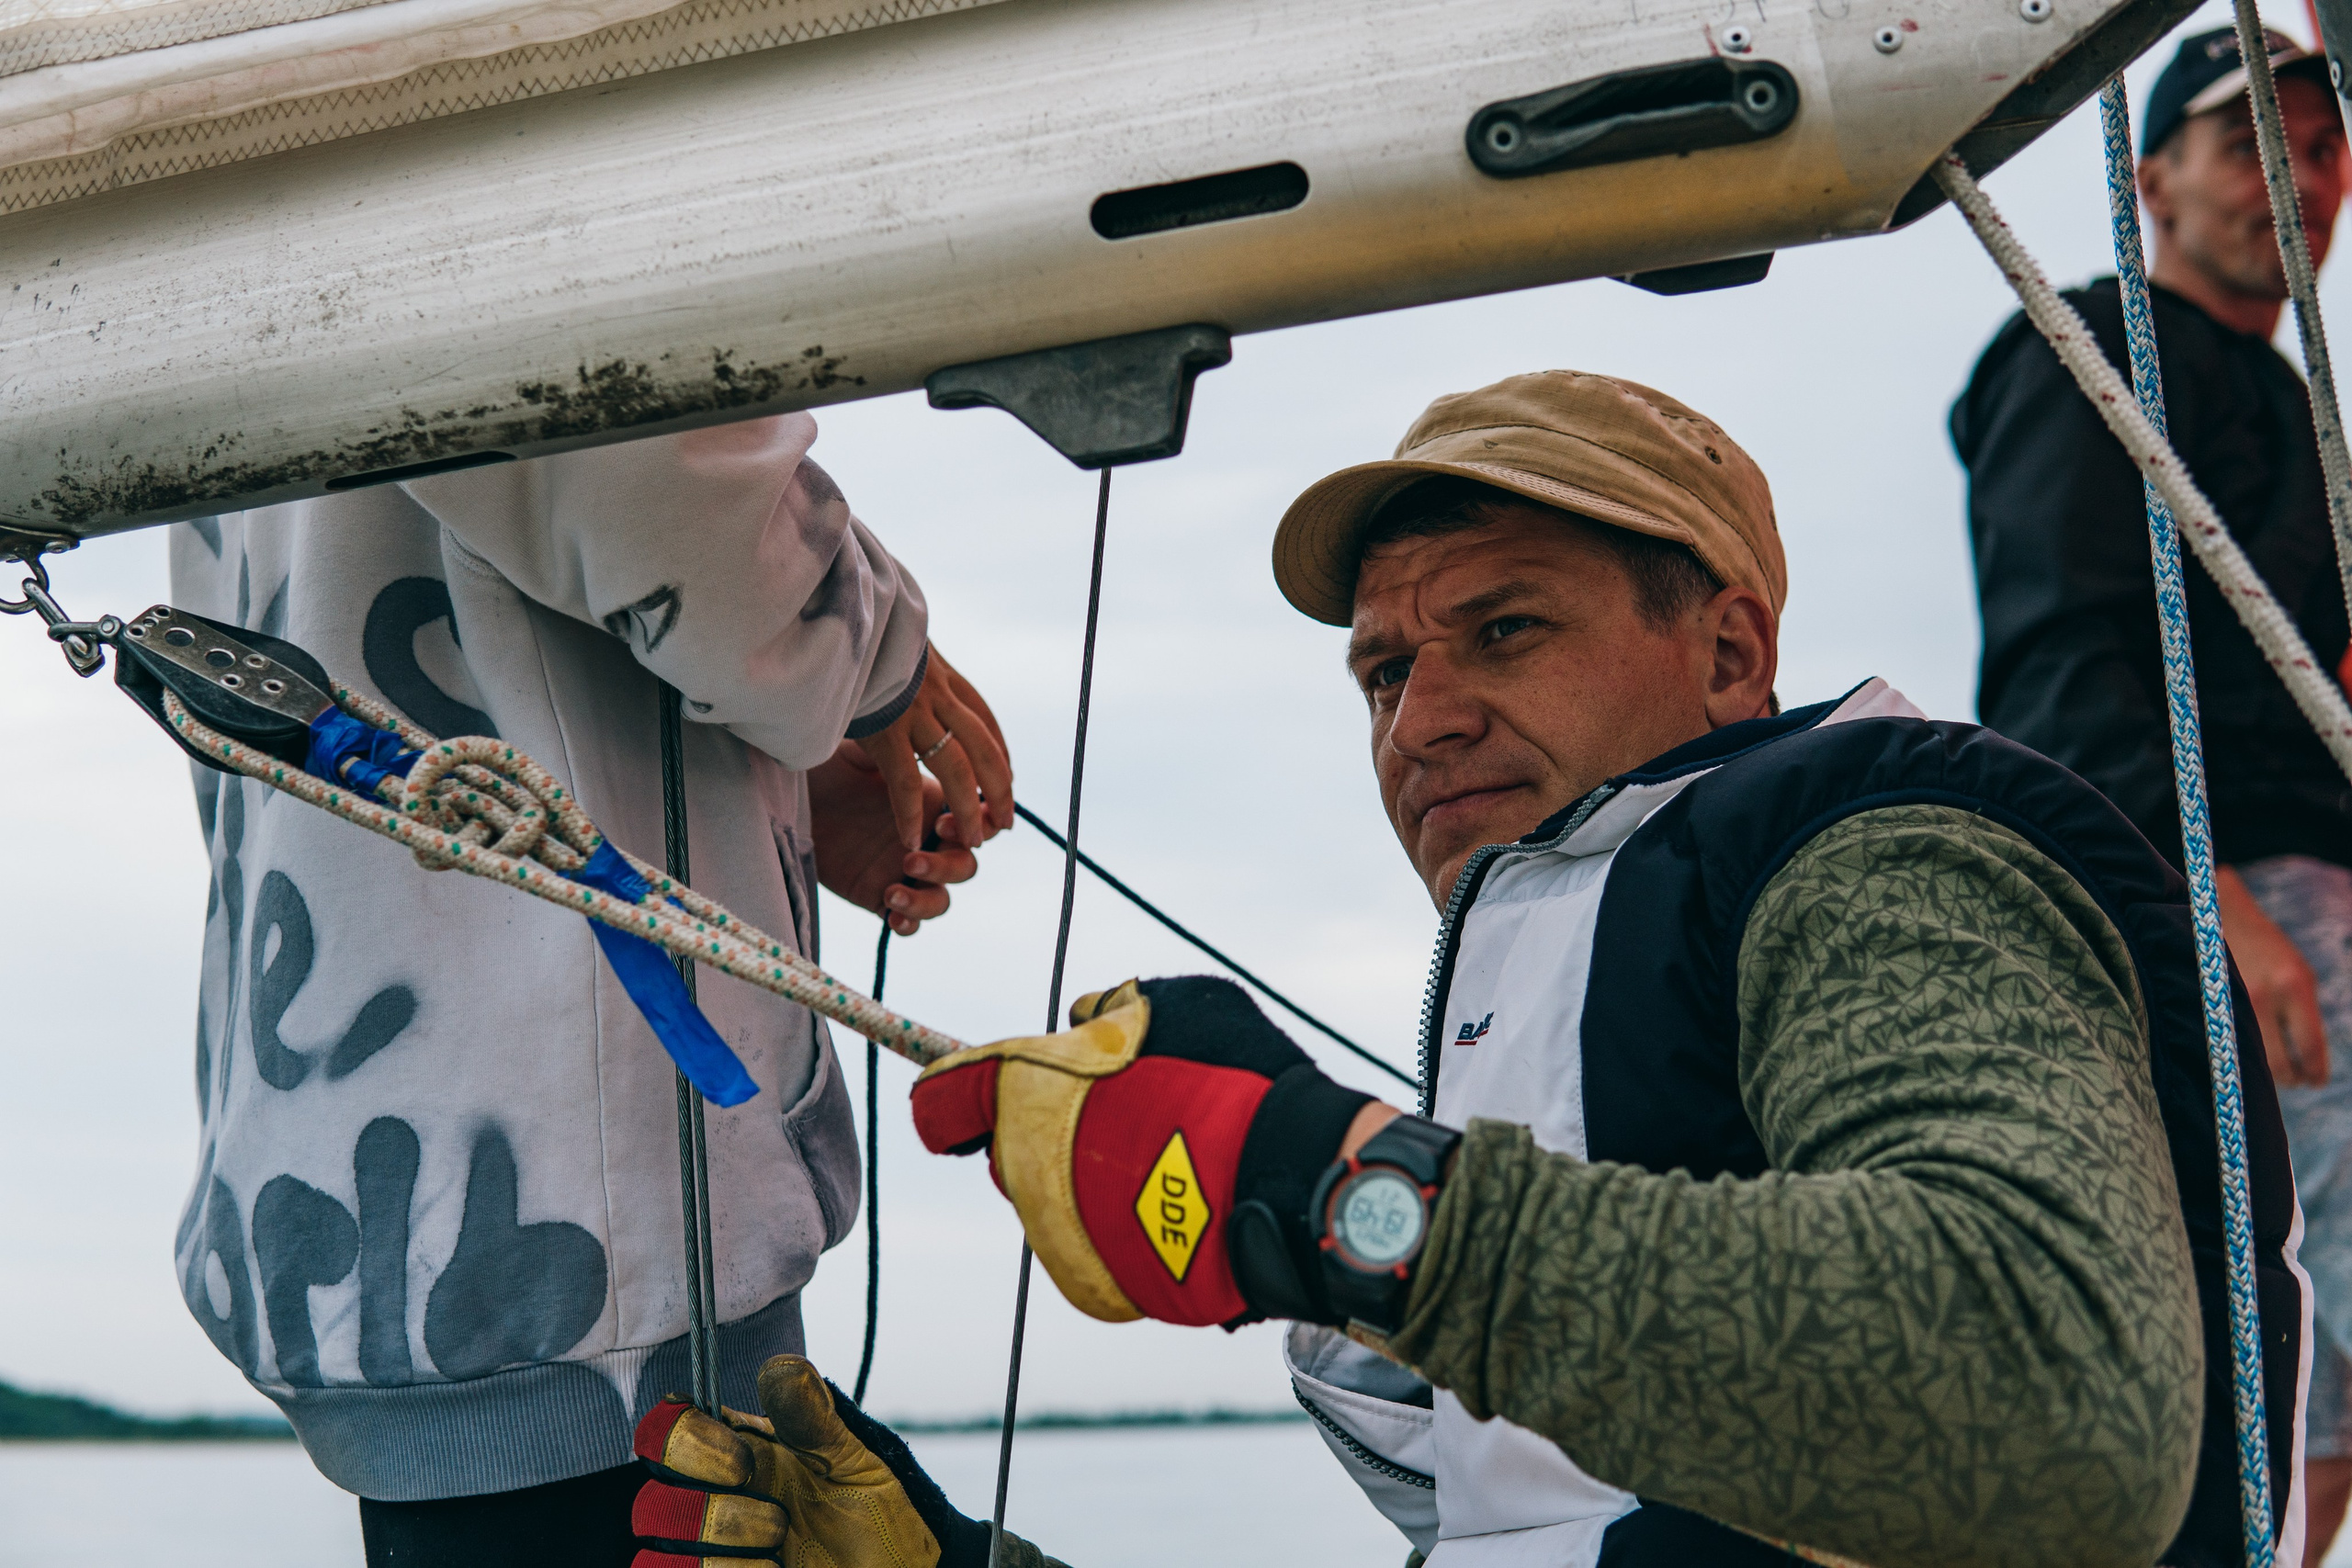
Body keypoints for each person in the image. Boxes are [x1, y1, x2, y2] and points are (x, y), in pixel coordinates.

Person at [629, 370, 2308, 1568]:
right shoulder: (1557, 980)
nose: (1418, 718)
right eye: (1379, 672)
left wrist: (1329, 1190)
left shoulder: (1876, 846)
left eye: (1504, 630)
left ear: (1729, 648)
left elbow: (2052, 1407)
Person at [166, 412, 1012, 1566]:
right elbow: (613, 463)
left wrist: (769, 806)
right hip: (591, 1283)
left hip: (402, 1266)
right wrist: (869, 647)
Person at [1951, 23, 2352, 1560]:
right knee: (2296, 1306)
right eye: (2253, 139)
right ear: (2150, 172)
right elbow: (2059, 658)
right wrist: (2214, 906)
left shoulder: (2286, 408)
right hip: (2231, 892)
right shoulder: (2094, 352)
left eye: (2321, 150)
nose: (2300, 179)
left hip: (2316, 885)